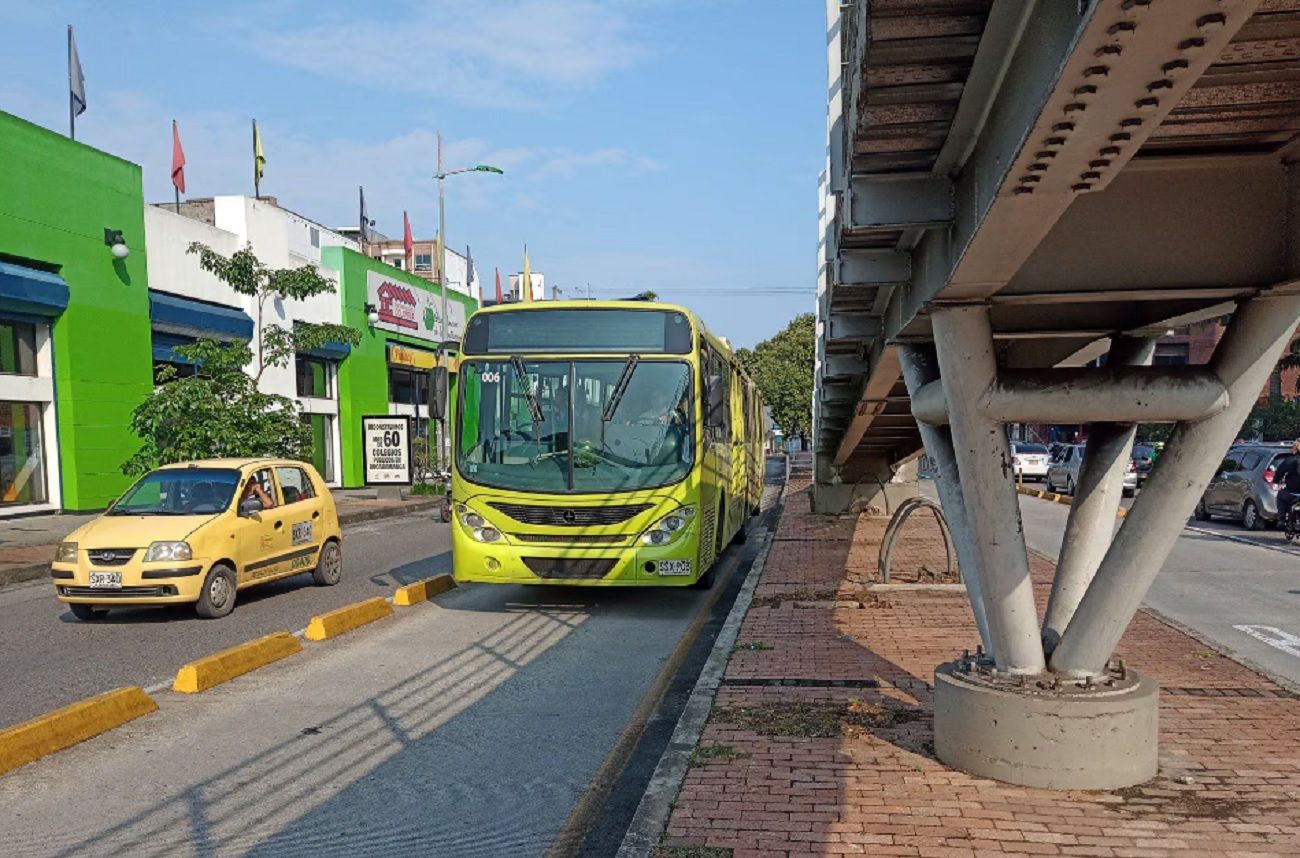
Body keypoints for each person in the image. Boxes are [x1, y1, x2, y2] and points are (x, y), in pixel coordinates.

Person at [1274, 440, 1300, 527]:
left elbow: (1279, 472)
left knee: (1280, 496)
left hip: (1292, 491)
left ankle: (1281, 520)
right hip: (1294, 492)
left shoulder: (1289, 460)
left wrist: (1276, 481)